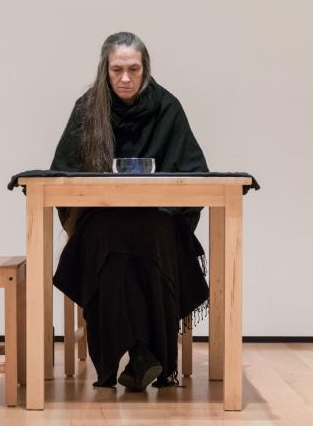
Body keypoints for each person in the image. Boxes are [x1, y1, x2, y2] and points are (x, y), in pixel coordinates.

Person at [50, 32, 209, 390]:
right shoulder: (88, 109)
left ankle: (138, 356)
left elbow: (195, 174)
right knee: (112, 235)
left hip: (158, 221)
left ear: (145, 69)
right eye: (117, 69)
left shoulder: (168, 108)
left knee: (149, 234)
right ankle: (143, 356)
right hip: (101, 223)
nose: (125, 78)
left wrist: (162, 204)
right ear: (105, 71)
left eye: (133, 69)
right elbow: (64, 175)